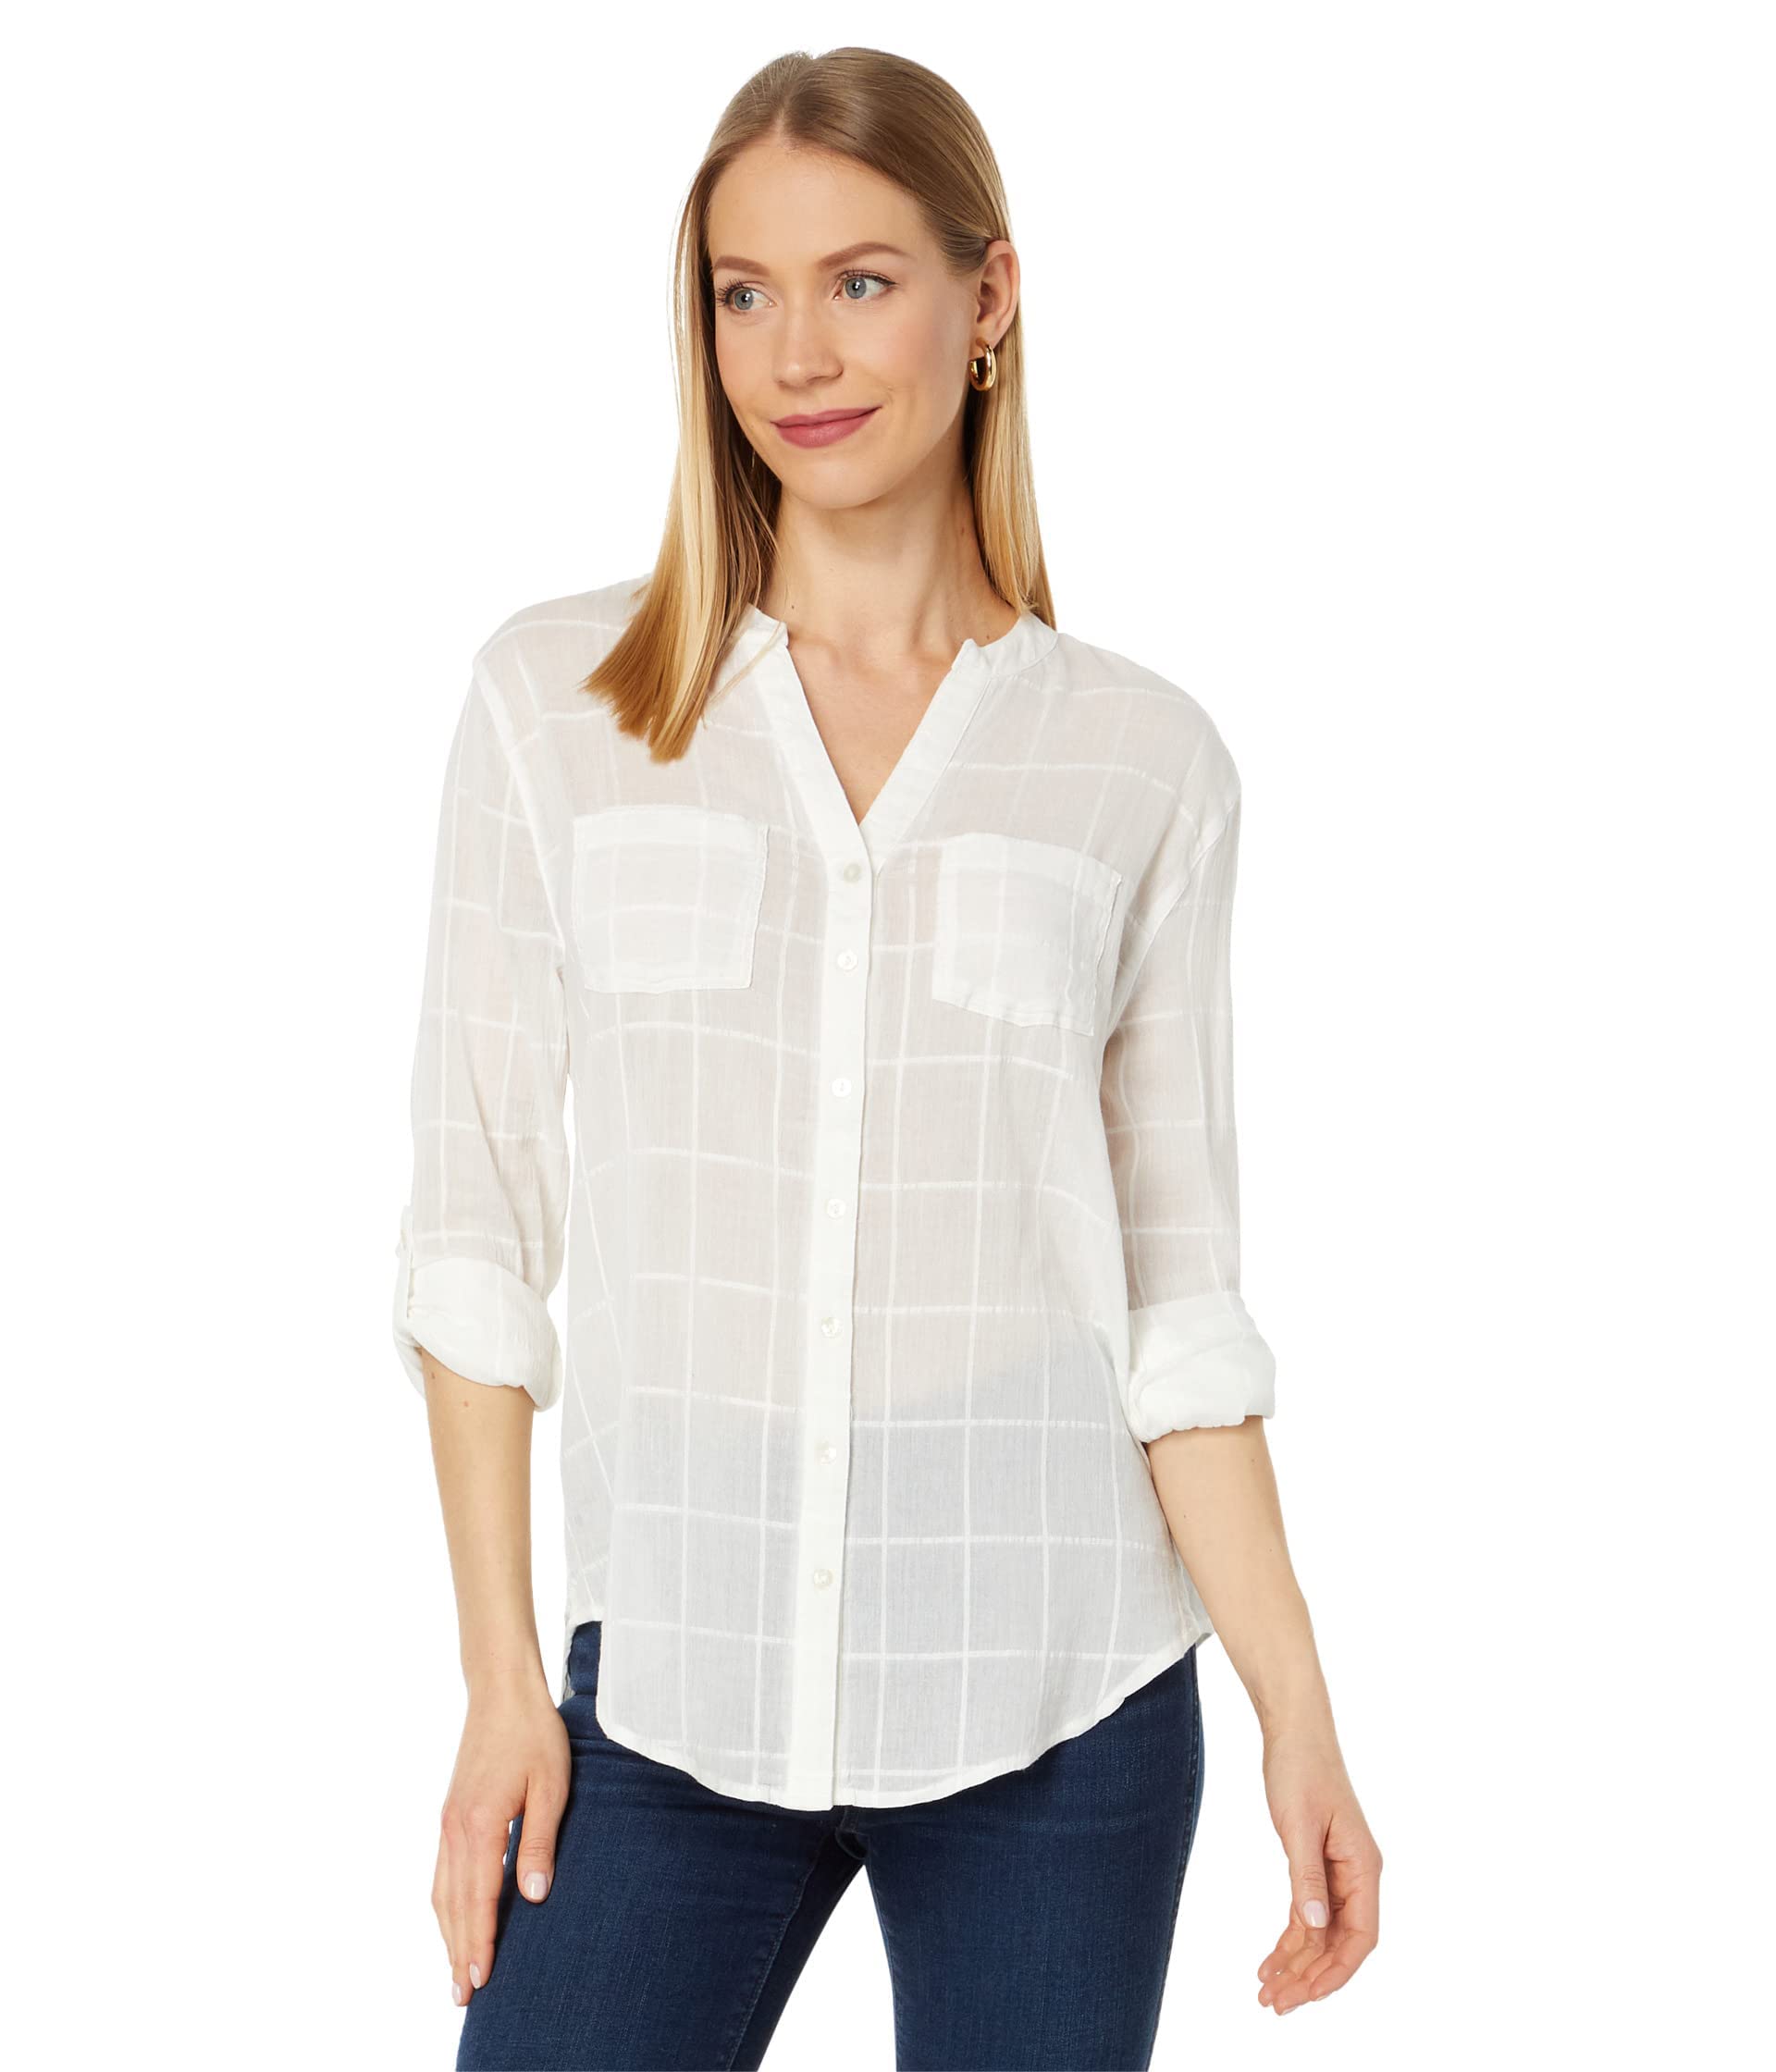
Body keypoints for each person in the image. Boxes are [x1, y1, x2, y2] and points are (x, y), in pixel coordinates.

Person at [391, 43, 1381, 2071]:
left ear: (987, 298)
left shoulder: (1142, 763)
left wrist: (1299, 1708)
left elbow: (1177, 1306)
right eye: (741, 292)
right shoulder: (557, 707)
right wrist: (501, 1678)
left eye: (861, 282)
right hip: (672, 1688)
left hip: (1058, 1697)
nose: (796, 354)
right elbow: (475, 1230)